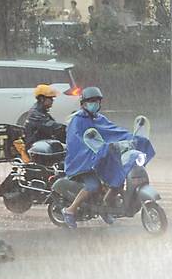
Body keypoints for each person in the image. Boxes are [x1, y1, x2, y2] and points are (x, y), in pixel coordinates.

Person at [61, 86, 155, 229]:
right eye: (91, 101)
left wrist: (133, 138)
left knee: (118, 179)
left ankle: (105, 206)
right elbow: (77, 143)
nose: (94, 104)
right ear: (83, 103)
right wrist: (98, 149)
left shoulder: (100, 119)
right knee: (93, 185)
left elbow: (114, 132)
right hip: (83, 162)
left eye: (97, 101)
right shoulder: (77, 121)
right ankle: (70, 210)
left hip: (102, 158)